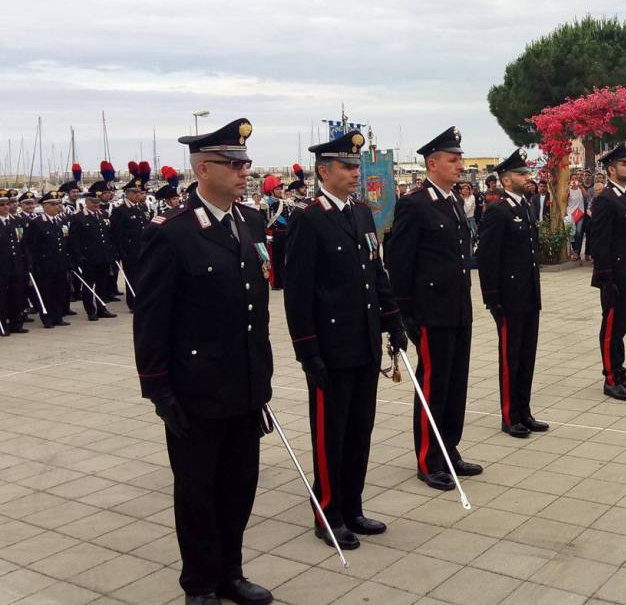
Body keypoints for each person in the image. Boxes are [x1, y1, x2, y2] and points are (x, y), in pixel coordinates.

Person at [133, 118, 274, 605]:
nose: (244, 173)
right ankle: (200, 583)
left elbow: (256, 309)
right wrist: (158, 389)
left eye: (247, 164)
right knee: (197, 492)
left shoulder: (251, 222)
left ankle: (231, 572)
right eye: (234, 165)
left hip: (245, 383)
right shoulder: (172, 233)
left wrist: (264, 379)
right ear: (203, 169)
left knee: (239, 487)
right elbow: (151, 319)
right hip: (195, 390)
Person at [284, 129, 406, 550]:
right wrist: (307, 351)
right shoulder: (308, 219)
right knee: (330, 433)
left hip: (364, 342)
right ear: (324, 171)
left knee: (359, 428)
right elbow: (298, 294)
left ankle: (352, 506)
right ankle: (328, 511)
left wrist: (394, 323)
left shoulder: (360, 213)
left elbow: (376, 273)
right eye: (348, 166)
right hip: (330, 349)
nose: (356, 172)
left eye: (357, 165)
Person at [385, 127, 481, 492]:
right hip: (431, 313)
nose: (460, 165)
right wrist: (405, 313)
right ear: (432, 163)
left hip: (458, 310)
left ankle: (449, 447)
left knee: (456, 384)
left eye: (460, 159)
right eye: (453, 160)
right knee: (433, 385)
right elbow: (400, 262)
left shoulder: (453, 201)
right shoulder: (415, 203)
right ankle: (428, 457)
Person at [476, 149, 545, 438]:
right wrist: (492, 298)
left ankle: (524, 411)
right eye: (521, 174)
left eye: (527, 173)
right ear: (506, 179)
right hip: (508, 298)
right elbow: (487, 257)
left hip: (528, 295)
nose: (527, 177)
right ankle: (509, 415)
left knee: (527, 355)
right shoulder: (497, 210)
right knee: (511, 357)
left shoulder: (525, 206)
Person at [588, 143, 626, 402]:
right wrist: (605, 277)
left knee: (621, 326)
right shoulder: (605, 199)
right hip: (612, 275)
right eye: (625, 164)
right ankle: (611, 378)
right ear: (611, 169)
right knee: (611, 327)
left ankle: (620, 373)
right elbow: (599, 243)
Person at [68, 180, 118, 321]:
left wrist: (111, 252)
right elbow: (74, 240)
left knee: (102, 284)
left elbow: (107, 236)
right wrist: (78, 257)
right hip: (88, 258)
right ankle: (91, 310)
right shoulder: (78, 218)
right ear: (86, 202)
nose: (96, 205)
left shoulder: (102, 215)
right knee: (89, 286)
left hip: (103, 257)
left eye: (98, 202)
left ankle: (102, 308)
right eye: (93, 202)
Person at [23, 191, 70, 329]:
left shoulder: (60, 221)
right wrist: (32, 265)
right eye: (53, 204)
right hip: (45, 265)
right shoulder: (37, 224)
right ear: (45, 206)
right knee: (47, 292)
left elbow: (64, 243)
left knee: (59, 291)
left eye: (58, 204)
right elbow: (31, 246)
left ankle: (58, 316)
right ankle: (47, 317)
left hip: (60, 263)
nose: (57, 207)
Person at [110, 177, 149, 312]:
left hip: (142, 248)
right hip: (129, 250)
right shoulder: (120, 210)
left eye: (140, 192)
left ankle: (142, 299)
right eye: (136, 193)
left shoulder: (141, 207)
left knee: (143, 276)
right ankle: (133, 302)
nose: (139, 195)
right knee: (132, 277)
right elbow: (117, 233)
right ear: (128, 193)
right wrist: (120, 251)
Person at [0, 190, 30, 335]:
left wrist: (27, 264)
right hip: (2, 267)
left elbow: (23, 244)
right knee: (2, 298)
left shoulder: (17, 221)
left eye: (7, 204)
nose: (5, 207)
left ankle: (16, 323)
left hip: (17, 265)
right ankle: (2, 325)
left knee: (16, 295)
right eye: (1, 205)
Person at [261, 175, 288, 289]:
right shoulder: (265, 204)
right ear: (271, 191)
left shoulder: (284, 203)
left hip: (284, 234)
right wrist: (266, 235)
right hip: (273, 234)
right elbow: (262, 221)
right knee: (274, 260)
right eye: (277, 189)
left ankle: (283, 281)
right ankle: (276, 283)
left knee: (283, 259)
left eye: (280, 189)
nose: (279, 191)